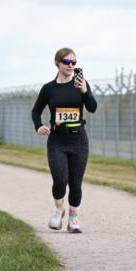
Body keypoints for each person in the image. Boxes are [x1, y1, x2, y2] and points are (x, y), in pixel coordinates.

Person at [31, 47, 97, 233]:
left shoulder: (81, 84)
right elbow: (36, 111)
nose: (71, 66)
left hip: (78, 141)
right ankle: (59, 210)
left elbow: (92, 107)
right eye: (67, 62)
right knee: (60, 180)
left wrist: (85, 91)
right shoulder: (49, 89)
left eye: (74, 62)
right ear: (57, 63)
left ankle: (74, 218)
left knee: (75, 183)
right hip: (57, 141)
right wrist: (39, 125)